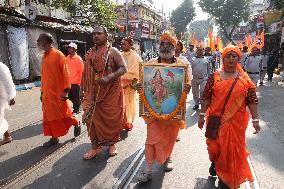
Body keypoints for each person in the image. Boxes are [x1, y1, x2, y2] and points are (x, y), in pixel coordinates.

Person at [198, 45, 260, 189]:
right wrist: (201, 114)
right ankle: (215, 162)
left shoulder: (244, 79)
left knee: (231, 151)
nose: (231, 58)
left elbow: (252, 99)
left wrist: (255, 120)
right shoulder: (215, 77)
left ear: (238, 58)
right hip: (216, 120)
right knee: (216, 148)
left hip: (237, 123)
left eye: (234, 56)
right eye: (228, 56)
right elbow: (206, 97)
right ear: (223, 58)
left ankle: (226, 178)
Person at [136, 31, 191, 182]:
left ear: (174, 47)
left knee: (169, 138)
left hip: (172, 110)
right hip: (153, 110)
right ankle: (147, 170)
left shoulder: (181, 66)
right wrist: (139, 86)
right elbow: (146, 84)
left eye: (169, 45)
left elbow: (186, 84)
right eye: (163, 44)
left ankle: (167, 158)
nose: (165, 47)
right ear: (159, 46)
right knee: (151, 140)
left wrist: (187, 88)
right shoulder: (151, 64)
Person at [80, 26, 127, 160]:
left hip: (110, 94)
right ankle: (95, 147)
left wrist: (109, 77)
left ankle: (112, 144)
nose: (96, 36)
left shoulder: (113, 51)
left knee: (111, 120)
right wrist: (82, 88)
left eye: (99, 33)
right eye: (94, 33)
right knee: (90, 119)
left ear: (106, 36)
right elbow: (85, 73)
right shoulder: (89, 52)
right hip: (91, 93)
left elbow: (124, 68)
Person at [37, 33, 80, 147]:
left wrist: (66, 90)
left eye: (39, 41)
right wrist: (42, 91)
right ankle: (54, 138)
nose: (38, 43)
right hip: (46, 93)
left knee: (63, 114)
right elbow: (44, 75)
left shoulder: (58, 55)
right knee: (48, 116)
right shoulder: (44, 56)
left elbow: (66, 73)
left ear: (45, 42)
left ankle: (76, 122)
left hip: (57, 93)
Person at [121, 37, 142, 131]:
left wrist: (127, 78)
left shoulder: (135, 56)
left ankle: (128, 122)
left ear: (130, 45)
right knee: (120, 104)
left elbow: (138, 71)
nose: (122, 45)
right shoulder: (119, 55)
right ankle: (121, 121)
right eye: (122, 43)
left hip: (130, 85)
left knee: (129, 103)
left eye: (124, 43)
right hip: (118, 85)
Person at [0, 62, 16, 146]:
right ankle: (6, 136)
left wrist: (11, 97)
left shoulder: (1, 67)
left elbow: (8, 82)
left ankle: (6, 137)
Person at [66, 42, 84, 114]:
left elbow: (81, 72)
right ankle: (78, 105)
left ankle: (76, 110)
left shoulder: (78, 59)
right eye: (68, 47)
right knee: (70, 97)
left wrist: (79, 84)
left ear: (74, 49)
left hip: (76, 83)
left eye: (70, 48)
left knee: (75, 98)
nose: (68, 49)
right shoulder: (67, 58)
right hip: (68, 83)